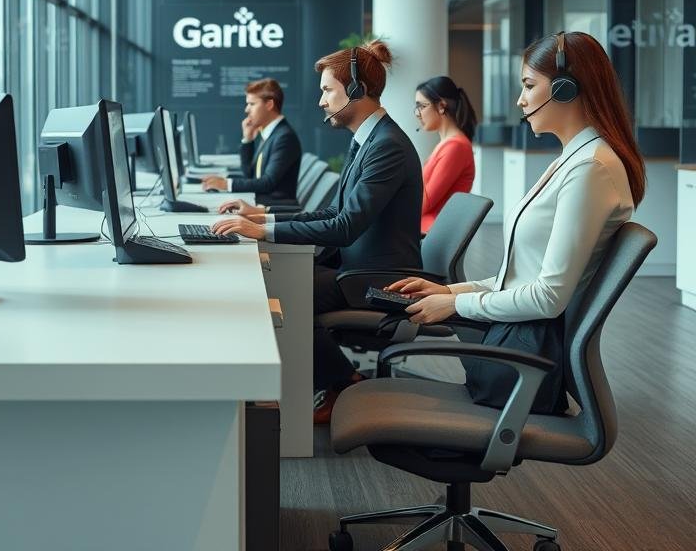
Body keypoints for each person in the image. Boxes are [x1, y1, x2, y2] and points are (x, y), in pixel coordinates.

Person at [387, 31, 644, 414]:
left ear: (565, 90)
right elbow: (522, 276)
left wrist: (459, 305)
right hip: (517, 341)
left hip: (527, 355)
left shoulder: (591, 167)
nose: (520, 100)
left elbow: (547, 296)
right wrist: (452, 292)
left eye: (528, 85)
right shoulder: (573, 160)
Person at [212, 41, 423, 423]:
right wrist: (265, 221)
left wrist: (264, 233)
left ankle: (342, 381)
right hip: (357, 267)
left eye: (327, 91)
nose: (321, 101)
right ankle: (331, 380)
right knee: (278, 281)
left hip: (380, 282)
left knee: (281, 291)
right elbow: (334, 211)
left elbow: (345, 227)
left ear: (356, 91)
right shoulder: (369, 141)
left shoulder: (386, 146)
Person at [200, 78, 302, 205]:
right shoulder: (270, 133)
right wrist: (248, 140)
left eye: (252, 104)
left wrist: (226, 184)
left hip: (273, 208)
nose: (247, 110)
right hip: (259, 202)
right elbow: (249, 174)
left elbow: (267, 182)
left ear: (269, 104)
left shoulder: (284, 137)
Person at [414, 76, 477, 233]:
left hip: (430, 235)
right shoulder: (448, 145)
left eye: (421, 106)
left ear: (441, 106)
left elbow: (424, 203)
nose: (417, 114)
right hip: (424, 231)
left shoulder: (456, 147)